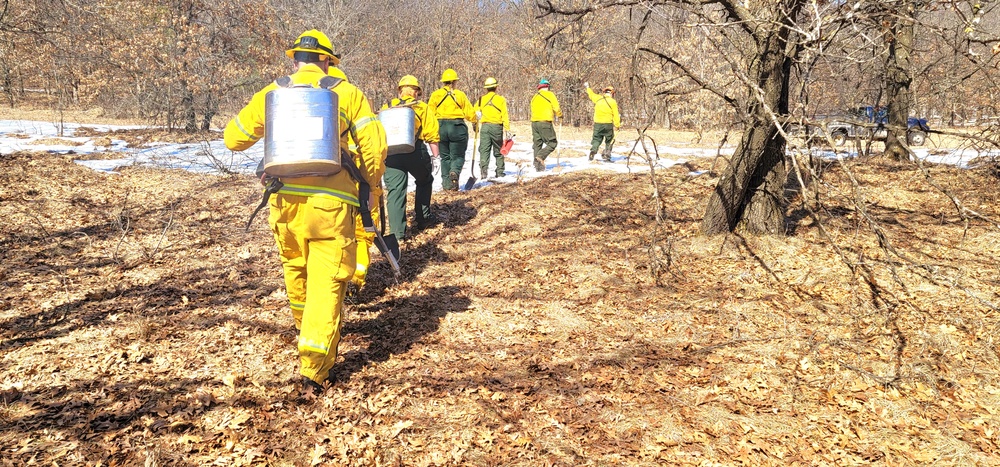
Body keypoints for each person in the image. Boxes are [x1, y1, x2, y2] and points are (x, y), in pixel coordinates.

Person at [223, 29, 387, 395]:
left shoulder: (272, 93)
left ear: (295, 60)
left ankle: (305, 330)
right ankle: (313, 366)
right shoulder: (346, 93)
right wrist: (372, 188)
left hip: (284, 202)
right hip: (330, 204)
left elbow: (233, 139)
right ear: (328, 60)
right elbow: (374, 148)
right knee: (326, 281)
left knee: (296, 271)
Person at [382, 75, 440, 241]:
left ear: (400, 91)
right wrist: (436, 157)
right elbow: (432, 134)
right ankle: (423, 219)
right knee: (424, 180)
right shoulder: (421, 107)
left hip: (391, 153)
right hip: (415, 150)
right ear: (416, 92)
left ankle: (397, 234)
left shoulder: (387, 107)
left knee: (395, 190)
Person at [428, 69, 477, 191]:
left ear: (443, 82)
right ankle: (454, 172)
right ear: (454, 82)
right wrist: (475, 120)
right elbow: (469, 113)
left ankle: (447, 185)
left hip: (441, 127)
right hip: (457, 127)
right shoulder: (459, 95)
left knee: (445, 158)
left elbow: (429, 114)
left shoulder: (435, 95)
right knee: (458, 156)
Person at [474, 77, 511, 178]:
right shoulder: (501, 100)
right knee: (499, 150)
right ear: (496, 87)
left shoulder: (481, 100)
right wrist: (507, 129)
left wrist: (475, 124)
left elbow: (476, 114)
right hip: (496, 128)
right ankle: (500, 172)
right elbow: (505, 115)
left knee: (484, 150)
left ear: (486, 88)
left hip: (485, 128)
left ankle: (483, 171)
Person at [529, 79, 562, 172]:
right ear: (547, 86)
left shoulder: (534, 97)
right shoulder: (550, 94)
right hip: (545, 122)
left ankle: (537, 166)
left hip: (534, 123)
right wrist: (560, 115)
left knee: (537, 144)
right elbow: (556, 107)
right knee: (552, 143)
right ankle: (540, 156)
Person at [584, 82, 621, 161]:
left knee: (596, 139)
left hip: (598, 124)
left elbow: (591, 94)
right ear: (612, 93)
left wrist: (587, 87)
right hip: (608, 124)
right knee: (609, 140)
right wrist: (617, 125)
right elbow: (616, 115)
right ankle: (607, 155)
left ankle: (593, 151)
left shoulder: (598, 98)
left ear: (604, 92)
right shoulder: (612, 102)